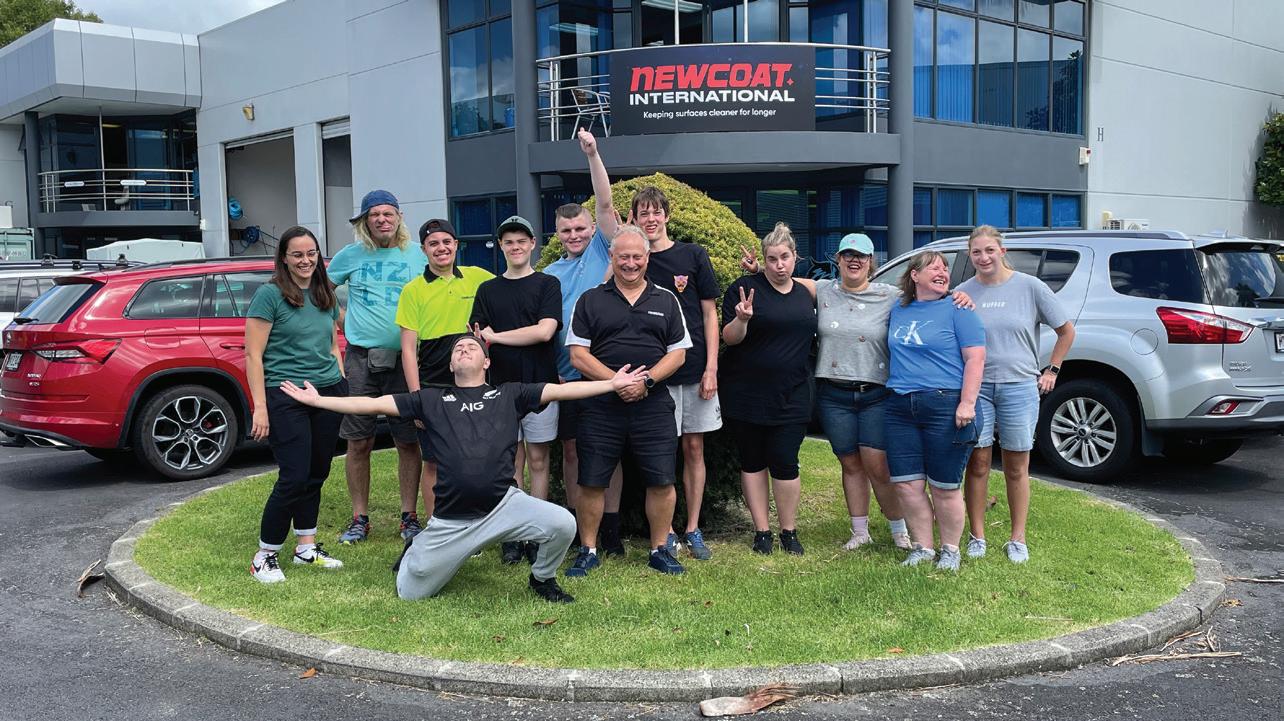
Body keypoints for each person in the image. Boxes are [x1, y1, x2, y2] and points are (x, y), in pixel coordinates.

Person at [280, 335, 651, 603]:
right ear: (451, 365)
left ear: (486, 362)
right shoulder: (431, 399)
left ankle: (542, 579)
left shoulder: (510, 394)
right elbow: (372, 404)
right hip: (452, 521)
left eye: (472, 346)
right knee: (410, 592)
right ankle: (416, 547)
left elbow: (560, 391)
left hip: (504, 507)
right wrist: (319, 401)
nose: (463, 349)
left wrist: (612, 383)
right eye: (458, 349)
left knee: (563, 524)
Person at [564, 225, 692, 577]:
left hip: (653, 403)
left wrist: (646, 381)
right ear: (612, 257)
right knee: (591, 480)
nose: (630, 263)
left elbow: (678, 354)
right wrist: (615, 382)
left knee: (662, 479)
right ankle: (588, 550)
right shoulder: (590, 299)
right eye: (623, 257)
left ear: (647, 258)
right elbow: (578, 355)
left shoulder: (666, 299)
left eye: (637, 256)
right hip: (600, 404)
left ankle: (659, 549)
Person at [957, 225, 1075, 564]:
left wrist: (1052, 370)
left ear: (1002, 251)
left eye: (989, 250)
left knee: (1016, 465)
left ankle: (1017, 538)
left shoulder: (1030, 287)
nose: (983, 257)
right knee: (978, 463)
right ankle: (977, 536)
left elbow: (1066, 331)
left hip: (1019, 386)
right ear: (970, 255)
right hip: (977, 389)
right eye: (976, 252)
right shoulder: (962, 293)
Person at [245, 226, 348, 583]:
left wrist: (340, 378)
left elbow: (332, 343)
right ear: (284, 258)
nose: (306, 260)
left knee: (317, 472)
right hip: (286, 394)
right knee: (293, 475)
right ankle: (264, 556)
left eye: (311, 253)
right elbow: (253, 355)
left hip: (326, 392)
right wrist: (260, 407)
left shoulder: (324, 292)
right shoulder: (269, 295)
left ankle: (306, 547)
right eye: (297, 254)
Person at [327, 190, 428, 545]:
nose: (382, 220)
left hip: (406, 359)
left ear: (399, 217)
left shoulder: (417, 254)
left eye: (388, 213)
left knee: (408, 440)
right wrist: (342, 320)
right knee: (359, 441)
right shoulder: (350, 255)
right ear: (365, 221)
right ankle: (360, 518)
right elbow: (321, 290)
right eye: (374, 215)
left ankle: (409, 517)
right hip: (361, 359)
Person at [543, 128, 625, 555]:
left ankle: (610, 528)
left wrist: (593, 154)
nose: (574, 235)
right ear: (556, 233)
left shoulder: (601, 250)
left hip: (606, 370)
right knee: (572, 452)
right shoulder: (549, 273)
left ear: (592, 228)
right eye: (566, 230)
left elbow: (606, 202)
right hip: (567, 377)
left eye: (580, 228)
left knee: (610, 453)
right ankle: (578, 529)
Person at [629, 182, 721, 561]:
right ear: (635, 218)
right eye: (643, 213)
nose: (650, 219)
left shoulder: (693, 255)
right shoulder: (634, 260)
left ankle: (693, 528)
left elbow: (710, 314)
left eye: (656, 212)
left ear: (667, 215)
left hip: (695, 370)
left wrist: (712, 367)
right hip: (655, 376)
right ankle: (664, 531)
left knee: (694, 448)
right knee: (660, 452)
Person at [885, 250, 986, 572]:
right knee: (907, 484)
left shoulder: (959, 308)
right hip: (900, 406)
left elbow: (975, 359)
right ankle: (923, 548)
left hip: (947, 405)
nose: (943, 272)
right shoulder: (898, 308)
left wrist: (967, 403)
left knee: (944, 485)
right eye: (934, 268)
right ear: (914, 275)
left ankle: (950, 550)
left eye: (945, 268)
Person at [720, 222, 817, 556]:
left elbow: (842, 287)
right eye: (772, 259)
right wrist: (742, 319)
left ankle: (788, 530)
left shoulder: (806, 293)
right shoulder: (744, 289)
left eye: (784, 257)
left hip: (793, 392)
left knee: (786, 461)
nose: (779, 265)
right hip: (746, 392)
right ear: (764, 259)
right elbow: (729, 338)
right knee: (752, 461)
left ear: (795, 257)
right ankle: (762, 531)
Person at [470, 214, 562, 565]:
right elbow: (478, 337)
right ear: (501, 246)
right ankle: (511, 533)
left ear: (533, 244)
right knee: (510, 462)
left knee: (538, 459)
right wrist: (489, 340)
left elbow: (544, 331)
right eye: (508, 242)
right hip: (499, 388)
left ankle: (536, 533)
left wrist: (496, 337)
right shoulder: (487, 290)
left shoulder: (547, 284)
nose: (516, 247)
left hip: (540, 386)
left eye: (521, 241)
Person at [812, 233, 912, 552]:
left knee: (877, 464)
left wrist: (958, 295)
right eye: (848, 255)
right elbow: (785, 279)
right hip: (834, 393)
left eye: (861, 256)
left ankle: (899, 530)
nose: (854, 260)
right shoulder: (823, 290)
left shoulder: (889, 295)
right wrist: (759, 269)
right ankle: (859, 532)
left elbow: (927, 293)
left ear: (871, 262)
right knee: (849, 462)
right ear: (838, 260)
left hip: (875, 393)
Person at [396, 218, 494, 516]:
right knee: (435, 460)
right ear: (424, 250)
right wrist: (416, 398)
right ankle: (436, 526)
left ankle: (476, 519)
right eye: (433, 244)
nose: (441, 248)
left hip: (473, 381)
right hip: (433, 384)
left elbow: (513, 286)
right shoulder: (413, 290)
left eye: (446, 242)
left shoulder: (477, 277)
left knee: (477, 456)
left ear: (456, 245)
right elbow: (408, 350)